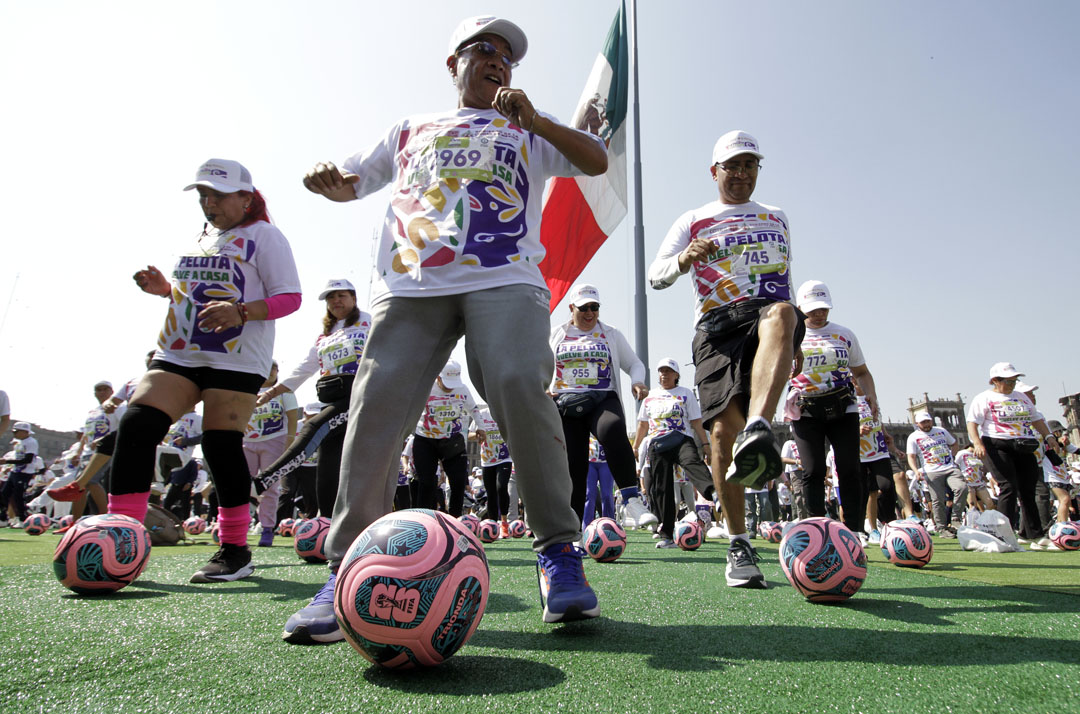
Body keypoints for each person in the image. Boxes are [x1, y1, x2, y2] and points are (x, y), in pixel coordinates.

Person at [282, 15, 608, 643]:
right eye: (485, 51)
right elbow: (353, 181)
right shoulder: (411, 129)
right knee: (374, 407)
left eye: (507, 58)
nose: (498, 62)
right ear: (453, 62)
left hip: (505, 278)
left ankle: (560, 551)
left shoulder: (526, 128)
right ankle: (348, 568)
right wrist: (328, 182)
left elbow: (593, 161)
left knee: (517, 380)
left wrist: (535, 119)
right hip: (412, 285)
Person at [106, 158, 301, 583]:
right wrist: (166, 291)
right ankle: (120, 537)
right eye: (203, 196)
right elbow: (195, 294)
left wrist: (241, 311)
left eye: (217, 195)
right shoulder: (201, 239)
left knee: (219, 446)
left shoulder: (265, 236)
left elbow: (290, 298)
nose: (208, 203)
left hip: (236, 356)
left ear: (246, 198)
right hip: (179, 351)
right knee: (137, 425)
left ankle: (234, 550)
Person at [649, 130, 801, 588]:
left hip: (767, 317)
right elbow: (656, 276)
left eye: (749, 165)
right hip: (716, 326)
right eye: (731, 166)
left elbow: (786, 277)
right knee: (719, 435)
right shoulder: (693, 219)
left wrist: (791, 341)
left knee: (784, 312)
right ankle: (739, 542)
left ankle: (759, 427)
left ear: (758, 169)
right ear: (714, 172)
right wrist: (684, 259)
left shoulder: (777, 216)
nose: (740, 173)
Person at [253, 279, 372, 518]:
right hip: (331, 398)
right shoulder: (325, 333)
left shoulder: (370, 321)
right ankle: (327, 525)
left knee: (312, 426)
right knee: (327, 470)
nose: (336, 301)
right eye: (330, 298)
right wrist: (273, 392)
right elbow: (305, 366)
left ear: (354, 298)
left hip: (360, 396)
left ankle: (264, 480)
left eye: (341, 295)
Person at [549, 283, 656, 529]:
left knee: (613, 428)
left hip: (602, 398)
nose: (589, 313)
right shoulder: (557, 333)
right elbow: (539, 364)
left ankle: (631, 501)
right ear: (571, 308)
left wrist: (638, 382)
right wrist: (544, 384)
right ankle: (573, 530)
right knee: (574, 466)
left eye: (594, 308)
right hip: (566, 404)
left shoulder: (611, 334)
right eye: (583, 308)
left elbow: (635, 363)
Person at [787, 280, 880, 543]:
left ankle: (853, 529)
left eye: (823, 308)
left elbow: (861, 372)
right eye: (813, 309)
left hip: (844, 406)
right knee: (813, 469)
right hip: (805, 409)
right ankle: (817, 527)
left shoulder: (844, 334)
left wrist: (871, 394)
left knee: (850, 467)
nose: (819, 314)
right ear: (800, 308)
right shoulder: (791, 334)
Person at [966, 362, 1059, 549]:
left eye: (1014, 380)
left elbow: (1036, 419)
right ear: (995, 380)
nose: (1012, 384)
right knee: (1008, 486)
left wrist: (1049, 436)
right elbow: (972, 422)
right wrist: (977, 442)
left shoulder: (1022, 398)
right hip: (997, 443)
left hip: (1024, 444)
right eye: (1007, 381)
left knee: (1028, 488)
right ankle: (1002, 534)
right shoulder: (984, 398)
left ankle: (1032, 533)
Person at [633, 358, 712, 548]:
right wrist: (635, 447)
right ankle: (666, 534)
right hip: (657, 444)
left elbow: (696, 422)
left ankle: (713, 493)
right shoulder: (650, 396)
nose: (664, 375)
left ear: (676, 375)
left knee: (692, 461)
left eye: (668, 371)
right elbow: (643, 424)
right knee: (662, 488)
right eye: (661, 371)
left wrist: (705, 444)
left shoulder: (685, 394)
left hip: (681, 438)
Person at [411, 360, 482, 517]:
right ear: (438, 377)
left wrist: (481, 427)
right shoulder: (424, 387)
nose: (450, 387)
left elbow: (474, 409)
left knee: (458, 482)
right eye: (446, 382)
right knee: (427, 483)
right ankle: (423, 520)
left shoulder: (462, 389)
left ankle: (455, 520)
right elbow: (407, 407)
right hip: (425, 439)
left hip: (452, 441)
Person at [243, 361, 299, 546]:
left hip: (275, 441)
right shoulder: (247, 389)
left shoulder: (284, 392)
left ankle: (267, 528)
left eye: (273, 368)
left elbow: (292, 417)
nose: (269, 372)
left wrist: (289, 442)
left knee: (269, 487)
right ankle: (238, 526)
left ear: (277, 372)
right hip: (247, 442)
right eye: (266, 367)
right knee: (241, 485)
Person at [906, 411, 964, 537]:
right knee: (938, 500)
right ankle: (942, 528)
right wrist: (916, 471)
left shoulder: (941, 431)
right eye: (923, 422)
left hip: (950, 467)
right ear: (917, 424)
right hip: (931, 471)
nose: (926, 424)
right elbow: (911, 456)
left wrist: (952, 457)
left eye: (928, 421)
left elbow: (954, 443)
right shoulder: (913, 437)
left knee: (962, 488)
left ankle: (956, 518)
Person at [472, 403, 512, 536]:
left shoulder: (506, 412)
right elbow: (469, 434)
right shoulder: (481, 414)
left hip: (504, 457)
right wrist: (479, 435)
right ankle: (493, 524)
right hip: (487, 460)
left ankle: (504, 522)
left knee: (501, 486)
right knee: (491, 493)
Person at [1, 422, 39, 526]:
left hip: (25, 472)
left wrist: (6, 461)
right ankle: (3, 518)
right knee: (4, 494)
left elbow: (28, 459)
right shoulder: (19, 442)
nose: (14, 434)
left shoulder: (31, 442)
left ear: (24, 432)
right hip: (15, 471)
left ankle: (22, 519)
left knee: (18, 495)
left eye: (16, 431)